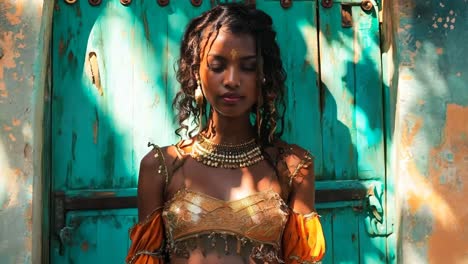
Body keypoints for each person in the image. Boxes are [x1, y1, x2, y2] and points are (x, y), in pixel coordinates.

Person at [126, 3, 325, 264]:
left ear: (264, 75)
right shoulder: (161, 167)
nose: (232, 80)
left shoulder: (292, 167)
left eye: (248, 66)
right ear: (196, 72)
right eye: (217, 65)